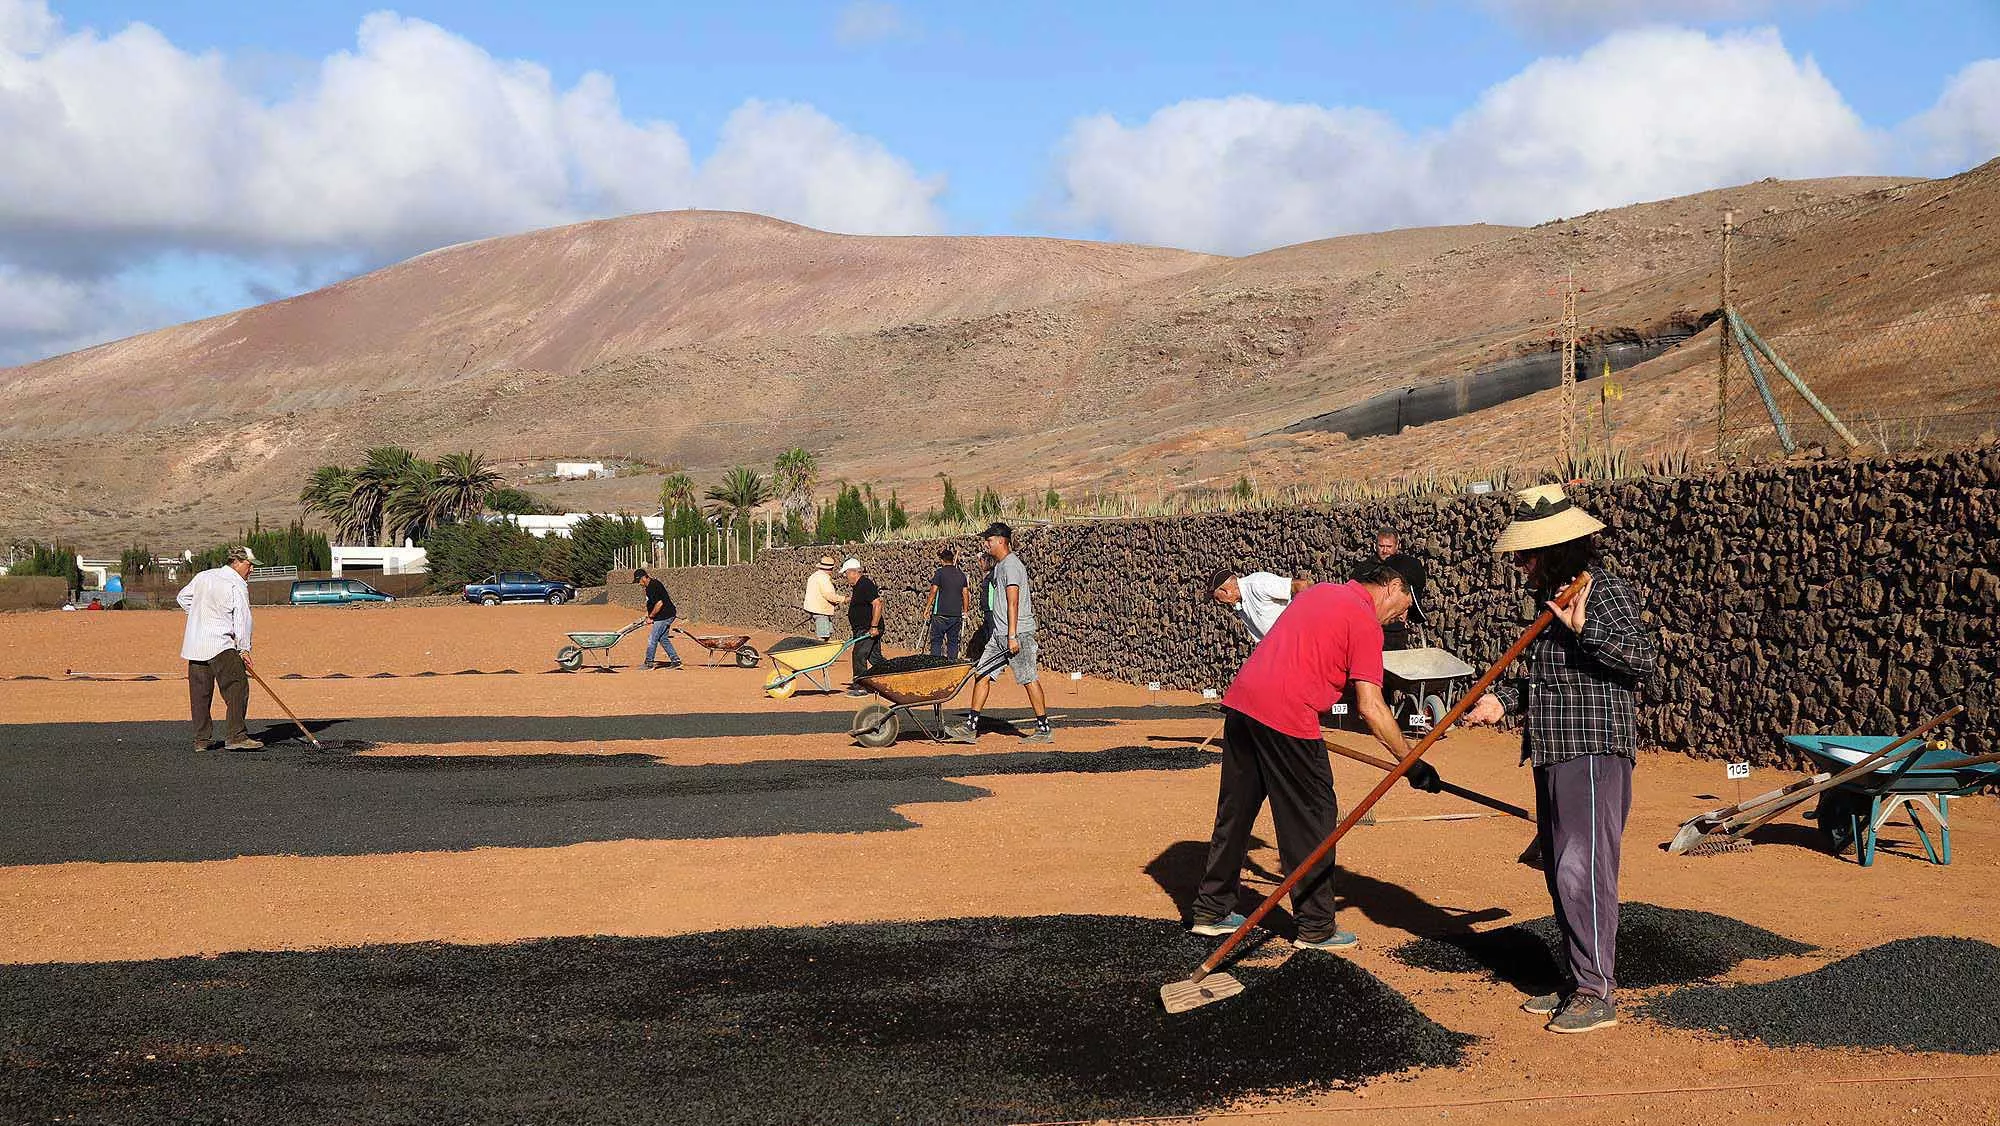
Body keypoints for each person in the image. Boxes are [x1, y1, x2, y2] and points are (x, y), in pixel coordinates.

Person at [1461, 484, 1657, 1035]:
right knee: (1559, 868)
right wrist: (1506, 701)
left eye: (1526, 554)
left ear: (1553, 548)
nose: (1519, 564)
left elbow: (1642, 662)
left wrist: (1583, 628)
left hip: (1592, 751)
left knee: (1584, 869)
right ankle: (1576, 978)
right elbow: (1550, 681)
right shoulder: (1554, 600)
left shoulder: (1604, 593)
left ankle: (1596, 990)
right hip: (1552, 750)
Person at [1187, 563, 1443, 952]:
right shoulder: (1364, 623)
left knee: (1235, 813)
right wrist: (1412, 763)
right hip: (1288, 716)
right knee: (1313, 816)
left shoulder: (1321, 592)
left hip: (1243, 705)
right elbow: (1371, 708)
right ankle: (1316, 927)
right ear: (1392, 586)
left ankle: (1211, 909)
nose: (1404, 614)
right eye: (1408, 603)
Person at [950, 523, 1052, 744]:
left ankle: (1043, 729)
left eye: (989, 540)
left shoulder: (1012, 566)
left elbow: (1013, 602)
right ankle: (970, 727)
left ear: (1001, 541)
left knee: (1028, 678)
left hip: (1017, 634)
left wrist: (1013, 636)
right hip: (999, 635)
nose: (986, 544)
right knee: (982, 674)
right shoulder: (999, 566)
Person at [177, 546, 262, 751]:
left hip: (195, 644)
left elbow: (182, 598)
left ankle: (201, 740)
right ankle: (236, 736)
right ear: (239, 562)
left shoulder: (203, 576)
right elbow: (242, 618)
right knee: (237, 687)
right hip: (221, 644)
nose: (251, 571)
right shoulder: (237, 584)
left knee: (200, 694)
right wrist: (243, 648)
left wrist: (201, 616)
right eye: (250, 566)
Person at [1352, 529, 1428, 651]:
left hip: (1395, 632)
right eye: (1381, 546)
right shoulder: (1363, 569)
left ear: (1397, 546)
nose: (1385, 550)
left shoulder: (1406, 568)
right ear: (1375, 546)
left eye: (1389, 546)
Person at [1204, 567, 1308, 644]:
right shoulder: (1240, 607)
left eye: (1217, 598)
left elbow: (1301, 585)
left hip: (1301, 640)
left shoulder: (1257, 584)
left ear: (1225, 590)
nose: (1218, 602)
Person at [843, 557, 883, 695]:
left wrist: (873, 626)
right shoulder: (858, 586)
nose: (846, 577)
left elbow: (877, 604)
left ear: (853, 572)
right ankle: (892, 678)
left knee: (859, 654)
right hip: (864, 628)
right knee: (875, 658)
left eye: (846, 574)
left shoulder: (865, 584)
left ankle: (861, 686)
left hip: (868, 628)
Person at [926, 547, 972, 658]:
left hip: (940, 613)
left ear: (942, 560)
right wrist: (965, 611)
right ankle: (952, 664)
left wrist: (927, 608)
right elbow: (965, 594)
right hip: (955, 614)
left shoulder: (939, 573)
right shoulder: (961, 575)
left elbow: (933, 591)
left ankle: (935, 665)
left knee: (936, 641)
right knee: (953, 642)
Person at [634, 567, 681, 670]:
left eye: (638, 581)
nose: (638, 583)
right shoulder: (650, 587)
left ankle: (649, 662)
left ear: (643, 578)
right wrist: (648, 615)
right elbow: (652, 603)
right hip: (665, 615)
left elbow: (659, 603)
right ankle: (675, 660)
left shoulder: (653, 586)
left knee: (652, 638)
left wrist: (651, 617)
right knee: (662, 638)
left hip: (665, 616)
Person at [802, 555, 846, 641]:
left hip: (815, 609)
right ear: (830, 569)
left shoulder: (814, 576)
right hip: (820, 610)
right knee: (823, 636)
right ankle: (819, 653)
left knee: (826, 633)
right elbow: (829, 595)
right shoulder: (823, 578)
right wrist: (844, 599)